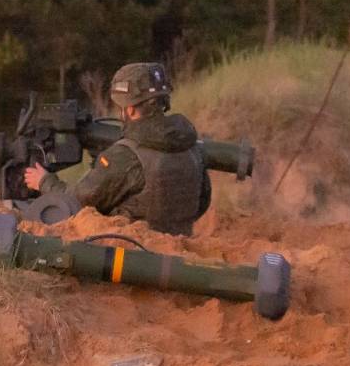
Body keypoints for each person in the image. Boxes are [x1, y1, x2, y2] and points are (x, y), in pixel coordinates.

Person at [23, 62, 211, 236]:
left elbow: (77, 202)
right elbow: (202, 202)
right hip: (180, 249)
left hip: (133, 252)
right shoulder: (191, 147)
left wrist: (45, 182)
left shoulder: (125, 155)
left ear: (129, 109)